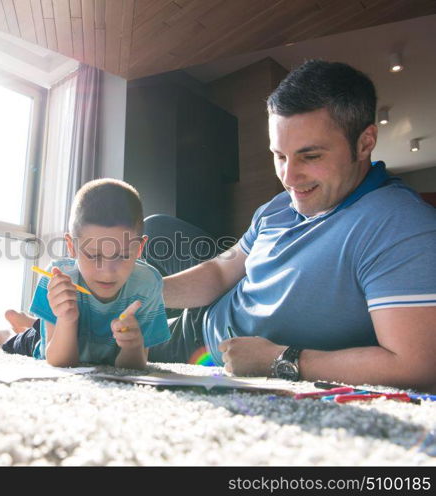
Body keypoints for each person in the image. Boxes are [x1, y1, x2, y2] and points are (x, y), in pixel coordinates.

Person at [147, 60, 436, 391]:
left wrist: (280, 359)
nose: (288, 178)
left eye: (310, 157)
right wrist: (145, 291)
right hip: (215, 305)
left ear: (365, 142)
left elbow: (420, 366)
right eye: (279, 156)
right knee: (153, 231)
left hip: (209, 348)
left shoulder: (401, 226)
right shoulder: (279, 206)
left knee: (102, 342)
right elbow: (221, 272)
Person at [0, 179, 171, 369]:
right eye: (93, 255)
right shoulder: (59, 277)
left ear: (139, 248)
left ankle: (29, 320)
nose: (108, 272)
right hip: (55, 340)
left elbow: (133, 367)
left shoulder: (148, 284)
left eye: (124, 256)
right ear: (71, 247)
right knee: (10, 342)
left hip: (72, 331)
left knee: (42, 324)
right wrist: (66, 319)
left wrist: (133, 346)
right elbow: (60, 363)